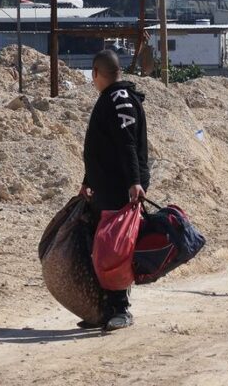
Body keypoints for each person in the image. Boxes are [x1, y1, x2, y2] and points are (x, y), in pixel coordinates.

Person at [79, 49, 150, 331]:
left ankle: (121, 309)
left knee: (114, 250)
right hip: (105, 185)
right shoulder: (114, 98)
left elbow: (126, 143)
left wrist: (134, 182)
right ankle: (107, 308)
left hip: (120, 187)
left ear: (97, 73)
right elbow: (103, 147)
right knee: (103, 248)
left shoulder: (119, 101)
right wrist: (88, 179)